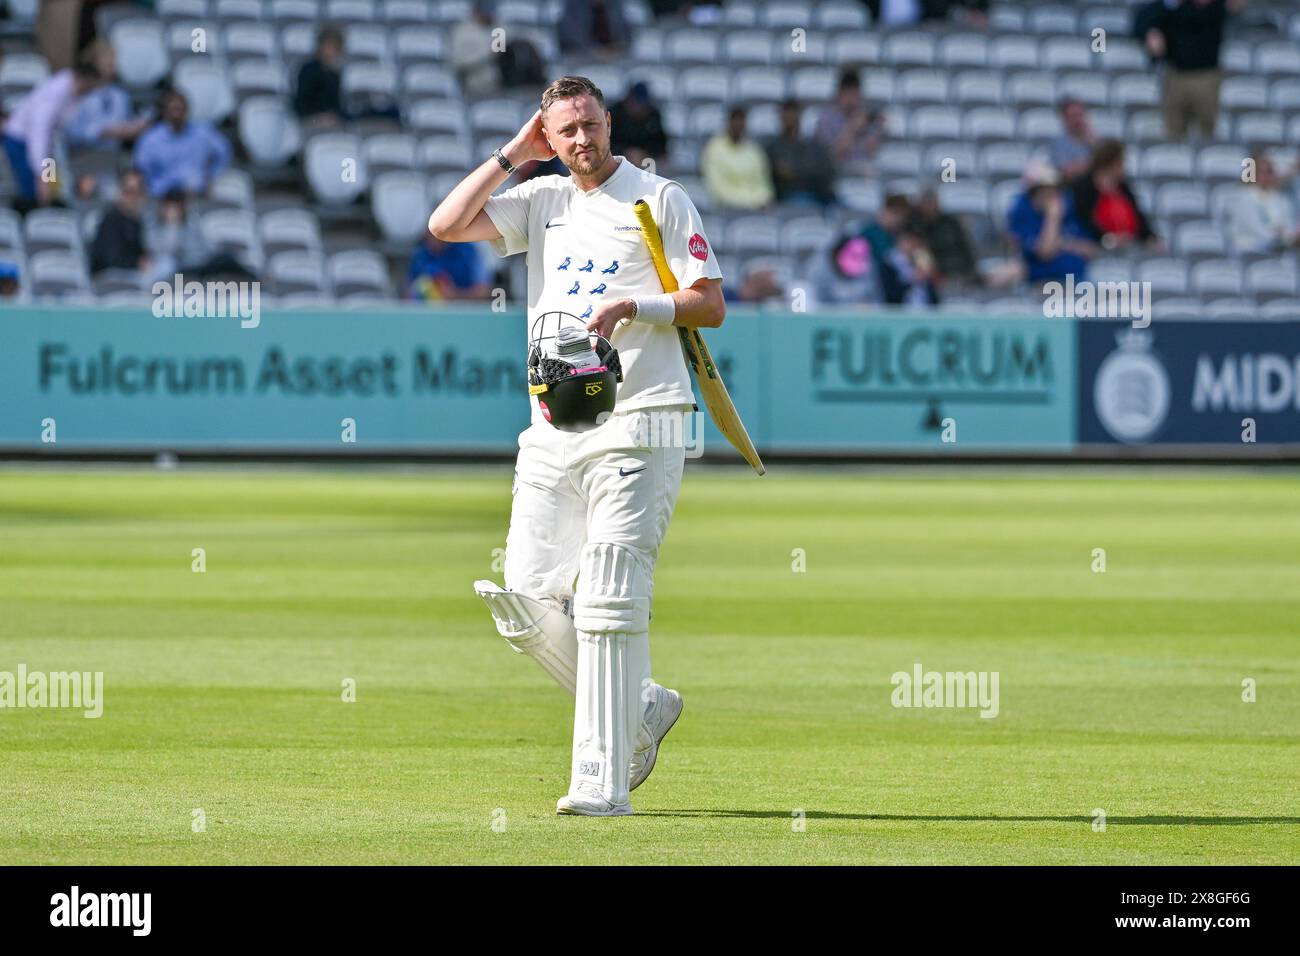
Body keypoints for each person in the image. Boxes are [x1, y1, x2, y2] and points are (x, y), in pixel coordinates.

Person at [428, 74, 726, 817]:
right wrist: (511, 156)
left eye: (590, 125)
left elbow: (709, 302)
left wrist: (635, 304)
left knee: (608, 598)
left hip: (645, 417)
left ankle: (599, 784)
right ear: (547, 136)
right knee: (522, 599)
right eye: (566, 132)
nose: (582, 141)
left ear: (608, 122)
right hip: (554, 425)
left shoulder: (657, 197)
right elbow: (444, 226)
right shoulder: (541, 200)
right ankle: (642, 708)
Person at [3, 59, 103, 208]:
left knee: (52, 189)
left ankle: (48, 206)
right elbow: (38, 132)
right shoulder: (55, 92)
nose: (89, 92)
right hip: (21, 140)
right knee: (32, 191)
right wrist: (40, 173)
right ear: (82, 79)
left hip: (46, 144)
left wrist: (46, 175)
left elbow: (51, 135)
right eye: (89, 87)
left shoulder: (72, 92)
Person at [1144, 0, 1246, 142]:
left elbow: (1237, 9)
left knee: (1207, 132)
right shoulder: (1174, 6)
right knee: (1173, 133)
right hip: (1176, 75)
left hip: (1207, 76)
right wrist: (1152, 31)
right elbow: (1146, 19)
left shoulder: (1218, 7)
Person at [1008, 161, 1098, 284]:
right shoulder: (1024, 214)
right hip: (1042, 285)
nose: (1051, 197)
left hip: (1077, 282)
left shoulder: (1068, 213)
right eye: (1045, 191)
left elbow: (1091, 249)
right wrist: (1052, 217)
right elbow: (1045, 252)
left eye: (1054, 191)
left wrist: (1063, 243)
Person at [132, 90, 231, 199]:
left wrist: (210, 175)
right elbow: (142, 170)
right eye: (173, 110)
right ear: (165, 112)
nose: (177, 114)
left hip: (197, 195)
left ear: (187, 111)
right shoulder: (150, 139)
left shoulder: (203, 133)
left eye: (180, 109)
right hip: (162, 198)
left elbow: (224, 152)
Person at [1070, 140, 1160, 252]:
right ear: (1110, 163)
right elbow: (1084, 219)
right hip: (1098, 246)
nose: (1124, 167)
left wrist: (1150, 236)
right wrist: (1107, 238)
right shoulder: (1085, 187)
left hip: (1129, 244)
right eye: (1121, 163)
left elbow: (1138, 216)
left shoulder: (1123, 187)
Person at [64, 39, 150, 153]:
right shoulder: (79, 92)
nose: (112, 63)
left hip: (113, 159)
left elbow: (127, 129)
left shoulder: (121, 96)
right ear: (93, 61)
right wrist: (104, 132)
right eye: (107, 58)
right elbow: (70, 133)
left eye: (114, 58)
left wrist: (138, 126)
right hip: (81, 158)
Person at [764, 98, 837, 207]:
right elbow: (777, 175)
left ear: (799, 116)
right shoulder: (773, 147)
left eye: (793, 112)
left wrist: (796, 173)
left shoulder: (813, 145)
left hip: (820, 195)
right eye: (787, 113)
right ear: (781, 117)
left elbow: (827, 171)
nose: (790, 117)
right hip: (790, 197)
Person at [813, 70, 887, 176]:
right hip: (835, 168)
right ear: (839, 93)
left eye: (855, 93)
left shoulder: (865, 115)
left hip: (861, 167)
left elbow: (871, 151)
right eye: (848, 93)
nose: (851, 99)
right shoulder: (826, 118)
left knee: (873, 171)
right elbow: (831, 156)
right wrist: (853, 128)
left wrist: (880, 129)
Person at [700, 106, 774, 210]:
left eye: (741, 121)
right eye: (735, 121)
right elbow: (717, 188)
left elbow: (764, 186)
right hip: (726, 209)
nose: (738, 125)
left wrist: (761, 200)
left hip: (754, 208)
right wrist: (747, 202)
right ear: (728, 123)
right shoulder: (714, 149)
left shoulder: (754, 151)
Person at [1228, 151, 1299, 254]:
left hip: (1277, 251)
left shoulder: (1281, 199)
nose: (1269, 176)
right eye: (1264, 172)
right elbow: (1258, 230)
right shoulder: (1244, 198)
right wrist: (1285, 237)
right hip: (1251, 252)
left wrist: (1290, 236)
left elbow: (1288, 225)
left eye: (1271, 172)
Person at [88, 168, 149, 277]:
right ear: (120, 191)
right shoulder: (110, 220)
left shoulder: (137, 222)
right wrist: (136, 263)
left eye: (138, 192)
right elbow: (110, 259)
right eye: (129, 192)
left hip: (132, 278)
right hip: (108, 281)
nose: (134, 197)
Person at [911, 189, 978, 285]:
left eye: (932, 203)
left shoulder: (950, 223)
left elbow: (964, 248)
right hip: (932, 274)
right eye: (926, 203)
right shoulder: (915, 226)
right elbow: (918, 251)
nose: (930, 207)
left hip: (957, 270)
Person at [407, 228, 491, 300]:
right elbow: (407, 291)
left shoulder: (468, 251)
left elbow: (483, 291)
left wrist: (455, 295)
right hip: (425, 316)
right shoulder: (420, 254)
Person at [804, 233, 881, 307]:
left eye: (862, 257)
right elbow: (817, 306)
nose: (860, 261)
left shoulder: (868, 269)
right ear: (837, 255)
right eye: (854, 256)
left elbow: (876, 302)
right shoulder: (819, 272)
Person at [608, 81, 668, 172]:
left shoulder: (653, 115)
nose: (640, 108)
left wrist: (645, 154)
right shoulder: (614, 114)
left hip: (646, 162)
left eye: (642, 104)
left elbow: (661, 145)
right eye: (636, 103)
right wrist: (625, 153)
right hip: (616, 162)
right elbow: (606, 143)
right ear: (628, 100)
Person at [1048, 99, 1095, 181]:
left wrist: (1093, 142)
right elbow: (1066, 171)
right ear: (1064, 119)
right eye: (1074, 115)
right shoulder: (1058, 143)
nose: (1078, 120)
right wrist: (1093, 163)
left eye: (1080, 115)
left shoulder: (1092, 140)